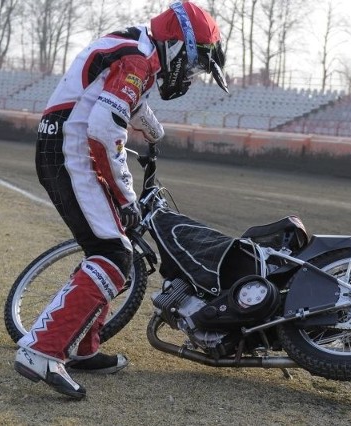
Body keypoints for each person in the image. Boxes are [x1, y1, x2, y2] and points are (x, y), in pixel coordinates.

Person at [13, 1, 228, 400]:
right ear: (180, 46)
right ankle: (41, 350)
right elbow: (103, 128)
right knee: (113, 255)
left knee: (112, 251)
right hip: (71, 151)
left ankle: (80, 346)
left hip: (63, 146)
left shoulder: (139, 50)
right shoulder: (138, 59)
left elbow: (127, 104)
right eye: (197, 65)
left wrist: (152, 129)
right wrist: (126, 195)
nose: (193, 76)